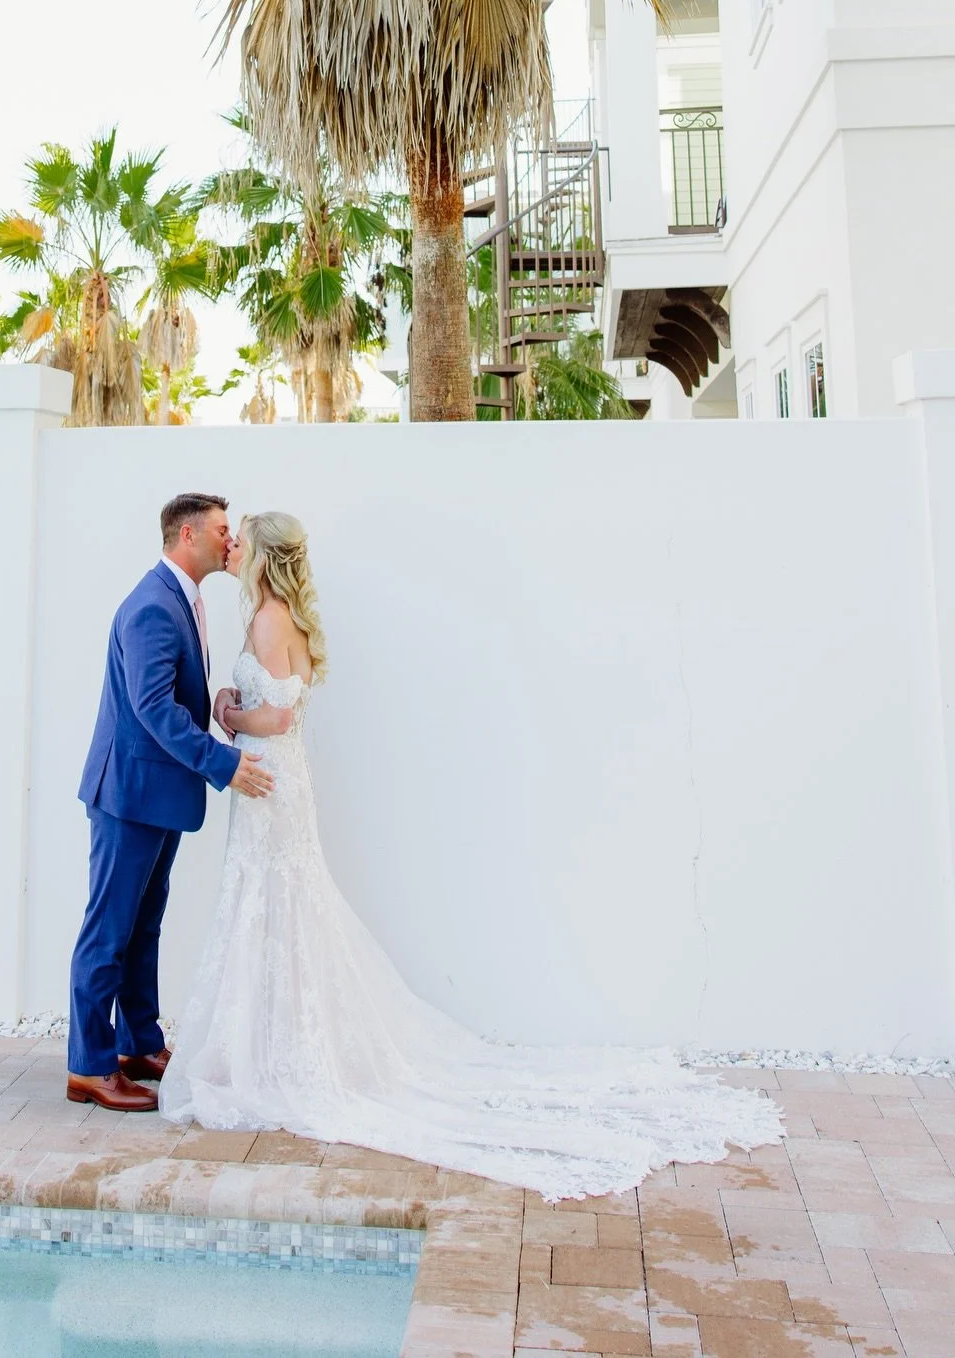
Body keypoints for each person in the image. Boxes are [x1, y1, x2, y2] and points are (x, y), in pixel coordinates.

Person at [159, 511, 784, 1200]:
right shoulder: (283, 618)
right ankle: (278, 1046)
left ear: (264, 556)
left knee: (270, 907)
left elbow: (277, 717)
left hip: (268, 779)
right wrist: (234, 701)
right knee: (282, 910)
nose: (233, 544)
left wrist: (228, 717)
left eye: (243, 536)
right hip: (279, 782)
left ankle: (276, 1056)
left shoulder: (269, 621)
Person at [66, 492, 292, 1113]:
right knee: (108, 930)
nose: (229, 541)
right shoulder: (151, 607)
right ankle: (88, 1065)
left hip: (157, 795)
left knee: (145, 926)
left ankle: (138, 1042)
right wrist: (224, 763)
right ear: (188, 535)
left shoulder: (183, 600)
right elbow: (153, 707)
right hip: (128, 794)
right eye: (222, 529)